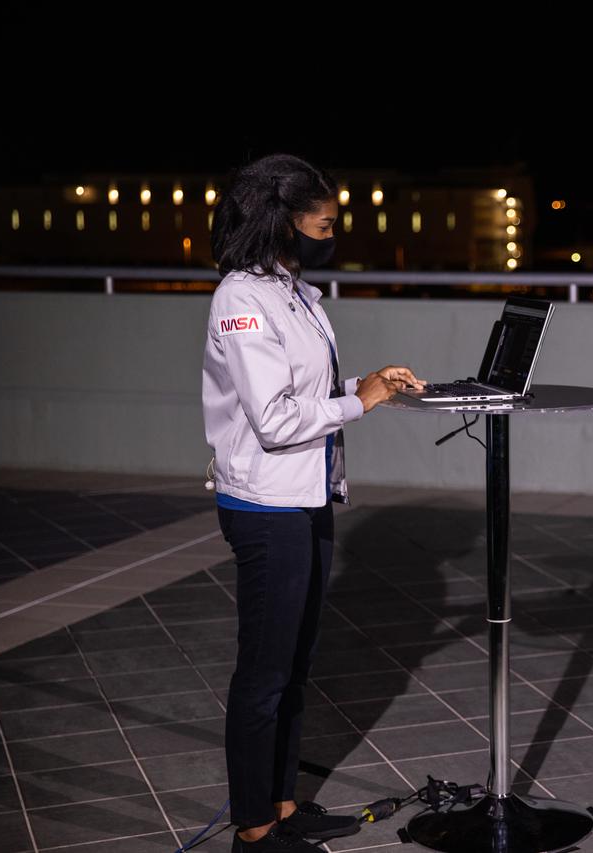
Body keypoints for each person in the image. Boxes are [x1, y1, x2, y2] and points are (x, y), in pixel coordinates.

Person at [202, 153, 424, 851]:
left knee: (295, 666)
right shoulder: (241, 297)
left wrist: (370, 378)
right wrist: (363, 400)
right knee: (264, 671)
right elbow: (274, 419)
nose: (332, 233)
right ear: (281, 217)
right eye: (323, 223)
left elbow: (305, 389)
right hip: (265, 506)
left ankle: (285, 804)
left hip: (306, 496)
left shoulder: (294, 288)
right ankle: (255, 826)